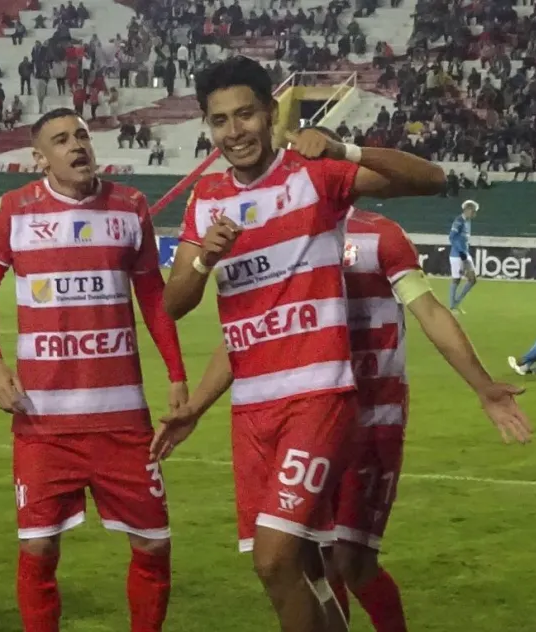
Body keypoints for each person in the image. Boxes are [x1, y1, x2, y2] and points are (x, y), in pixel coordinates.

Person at [160, 56, 446, 632]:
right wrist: (203, 259)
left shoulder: (312, 175)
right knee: (297, 570)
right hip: (251, 410)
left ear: (270, 113)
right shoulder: (207, 200)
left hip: (318, 395)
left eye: (245, 115)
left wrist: (347, 151)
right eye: (220, 121)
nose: (234, 131)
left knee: (274, 559)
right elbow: (174, 302)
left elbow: (432, 179)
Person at [153, 204, 532, 632]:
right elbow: (250, 334)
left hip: (371, 415)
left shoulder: (379, 235)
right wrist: (197, 407)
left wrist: (482, 385)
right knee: (308, 559)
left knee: (350, 559)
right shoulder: (282, 237)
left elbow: (428, 311)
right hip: (306, 417)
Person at [0, 107, 188, 632]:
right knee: (39, 548)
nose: (77, 145)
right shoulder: (14, 212)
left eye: (82, 135)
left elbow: (153, 297)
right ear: (40, 158)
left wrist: (177, 374)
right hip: (44, 422)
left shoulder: (130, 207)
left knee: (153, 545)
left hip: (122, 420)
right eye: (61, 140)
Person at [449, 199, 478, 312]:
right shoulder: (458, 221)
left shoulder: (467, 222)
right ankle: (452, 306)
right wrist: (460, 251)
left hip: (465, 254)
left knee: (472, 279)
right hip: (457, 255)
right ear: (467, 209)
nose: (474, 213)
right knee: (456, 279)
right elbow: (452, 237)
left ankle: (457, 302)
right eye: (473, 211)